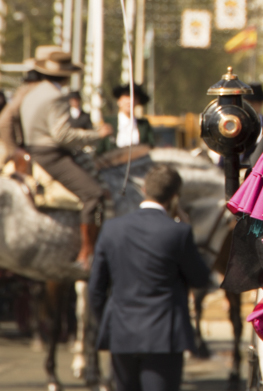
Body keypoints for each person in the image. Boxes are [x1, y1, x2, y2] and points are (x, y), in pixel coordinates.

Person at [89, 164, 211, 391]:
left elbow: (96, 289)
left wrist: (110, 323)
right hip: (164, 337)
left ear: (144, 189)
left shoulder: (111, 228)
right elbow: (201, 278)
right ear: (175, 197)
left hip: (122, 333)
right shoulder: (179, 232)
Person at [19, 48, 111, 267]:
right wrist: (97, 135)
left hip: (32, 150)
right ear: (67, 75)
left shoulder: (32, 92)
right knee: (93, 193)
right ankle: (87, 253)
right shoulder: (56, 96)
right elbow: (62, 135)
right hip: (51, 154)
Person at [107, 84, 155, 150]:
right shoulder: (108, 122)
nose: (130, 101)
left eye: (134, 97)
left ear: (138, 102)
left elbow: (150, 146)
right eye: (126, 96)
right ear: (119, 101)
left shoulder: (144, 125)